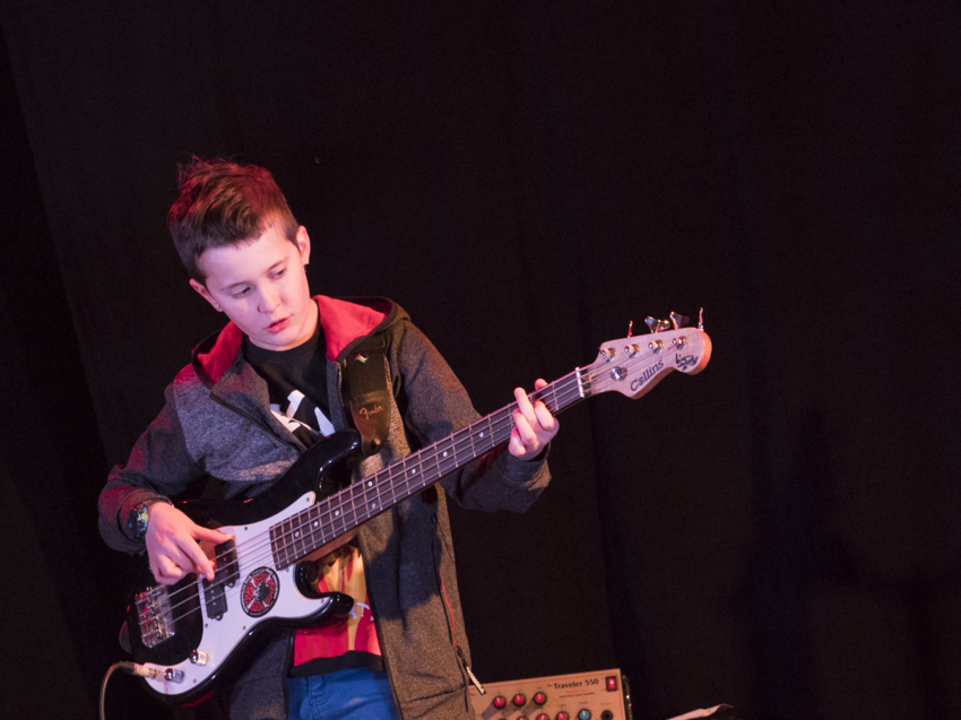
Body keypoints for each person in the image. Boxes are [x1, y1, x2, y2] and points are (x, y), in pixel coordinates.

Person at [97, 158, 558, 720]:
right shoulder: (199, 393)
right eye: (239, 290)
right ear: (206, 293)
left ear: (303, 246)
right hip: (271, 694)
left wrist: (523, 454)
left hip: (402, 676)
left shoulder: (386, 344)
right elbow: (120, 495)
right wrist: (149, 518)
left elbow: (478, 480)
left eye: (278, 272)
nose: (269, 303)